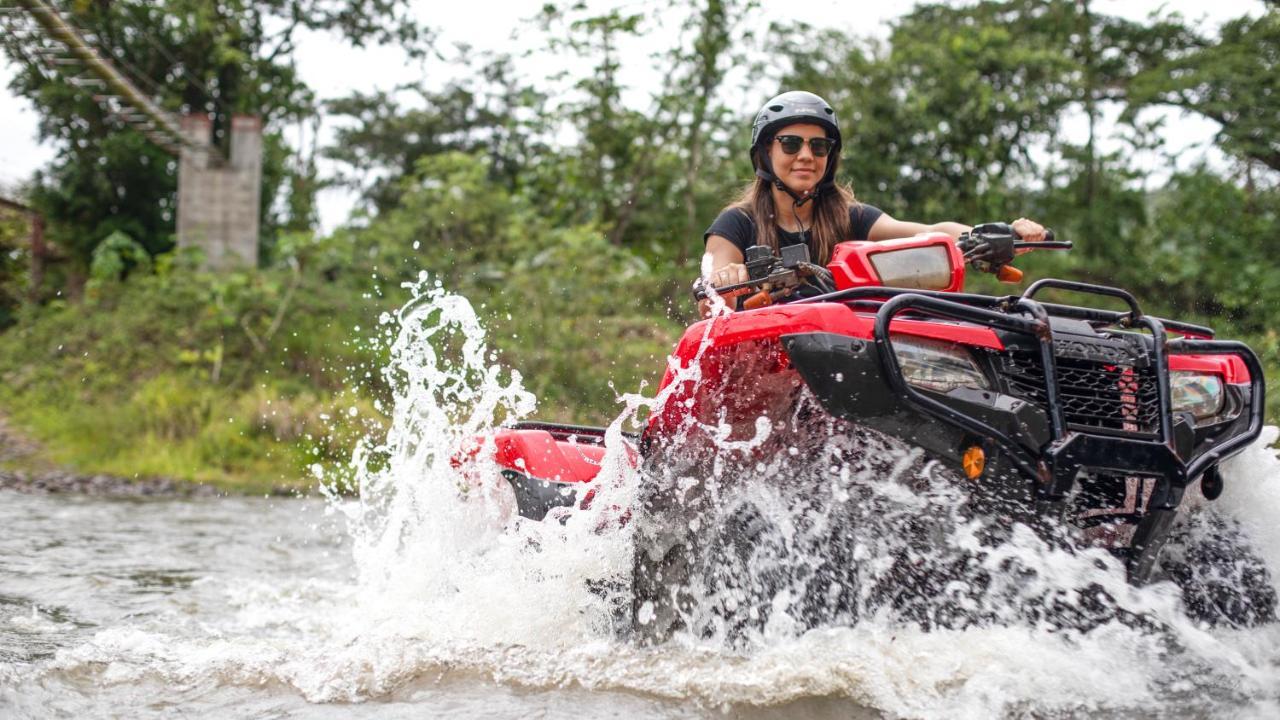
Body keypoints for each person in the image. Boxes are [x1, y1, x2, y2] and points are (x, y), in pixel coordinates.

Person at [702, 91, 1047, 305]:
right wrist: (726, 280)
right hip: (760, 362)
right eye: (791, 143)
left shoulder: (848, 216)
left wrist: (993, 234)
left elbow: (925, 231)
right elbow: (710, 292)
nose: (806, 155)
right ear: (765, 152)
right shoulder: (737, 222)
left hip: (843, 354)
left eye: (818, 146)